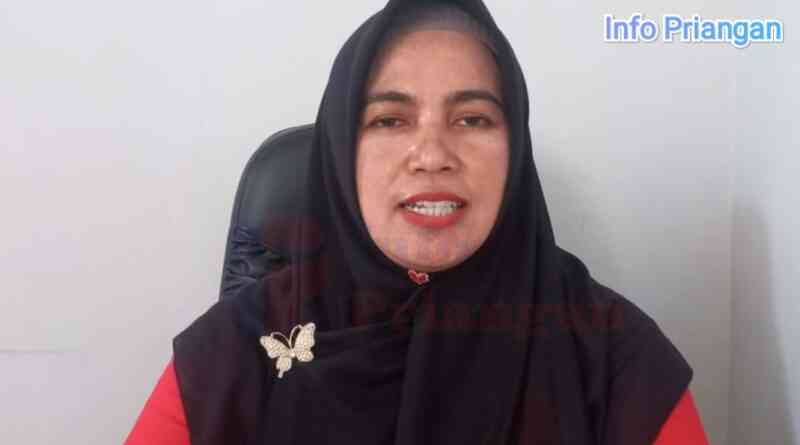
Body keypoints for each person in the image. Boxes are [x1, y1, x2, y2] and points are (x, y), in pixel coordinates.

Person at [126, 1, 710, 443]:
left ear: (515, 152)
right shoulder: (230, 355)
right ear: (340, 153)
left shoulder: (613, 357)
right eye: (389, 120)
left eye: (473, 118)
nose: (432, 155)